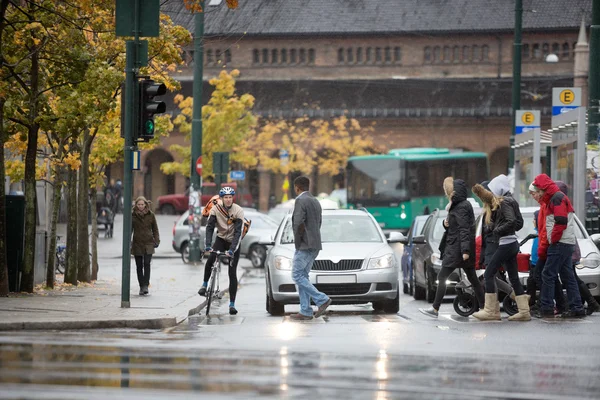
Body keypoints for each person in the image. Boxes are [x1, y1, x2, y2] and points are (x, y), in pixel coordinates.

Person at [419, 177, 484, 318]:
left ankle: (435, 309)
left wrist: (465, 250)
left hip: (458, 249)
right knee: (473, 279)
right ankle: (485, 308)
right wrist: (445, 223)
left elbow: (464, 229)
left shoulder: (461, 206)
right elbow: (456, 227)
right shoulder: (458, 205)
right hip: (458, 248)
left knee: (442, 276)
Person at [472, 177, 530, 321]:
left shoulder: (504, 202)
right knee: (514, 277)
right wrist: (504, 228)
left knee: (488, 274)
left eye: (493, 188)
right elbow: (518, 223)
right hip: (512, 243)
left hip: (505, 244)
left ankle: (491, 311)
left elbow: (511, 221)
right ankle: (524, 311)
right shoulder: (512, 201)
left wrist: (497, 230)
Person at [530, 174, 585, 318]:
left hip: (560, 242)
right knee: (567, 276)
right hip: (565, 242)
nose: (538, 194)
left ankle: (547, 308)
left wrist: (552, 239)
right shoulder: (556, 198)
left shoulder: (556, 199)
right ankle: (576, 307)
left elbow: (560, 222)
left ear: (543, 189)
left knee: (548, 274)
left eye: (538, 190)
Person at [289, 176, 331, 320]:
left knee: (296, 275)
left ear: (297, 187)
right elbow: (319, 222)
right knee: (303, 276)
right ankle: (305, 310)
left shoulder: (300, 200)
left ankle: (322, 299)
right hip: (315, 244)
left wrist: (299, 241)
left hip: (305, 245)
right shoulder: (315, 201)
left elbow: (298, 223)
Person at [555, 181, 600, 315]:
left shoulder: (562, 205)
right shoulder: (564, 204)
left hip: (568, 245)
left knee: (571, 277)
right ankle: (588, 303)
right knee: (571, 277)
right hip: (571, 245)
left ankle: (589, 303)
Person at [198, 186, 244, 315]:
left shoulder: (238, 210)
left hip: (234, 242)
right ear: (222, 198)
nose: (228, 200)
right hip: (221, 238)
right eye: (226, 198)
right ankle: (204, 284)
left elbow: (238, 233)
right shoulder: (215, 209)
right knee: (211, 258)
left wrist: (232, 250)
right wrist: (208, 245)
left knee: (232, 271)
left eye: (230, 197)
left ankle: (232, 304)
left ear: (232, 198)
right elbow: (210, 227)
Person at [131, 196, 160, 295]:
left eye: (142, 204)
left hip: (148, 243)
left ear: (145, 204)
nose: (140, 206)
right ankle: (141, 286)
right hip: (137, 243)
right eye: (138, 205)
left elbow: (155, 229)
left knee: (147, 264)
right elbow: (129, 230)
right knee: (139, 266)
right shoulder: (133, 215)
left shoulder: (151, 215)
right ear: (136, 205)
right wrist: (128, 243)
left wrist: (157, 240)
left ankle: (145, 285)